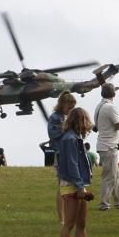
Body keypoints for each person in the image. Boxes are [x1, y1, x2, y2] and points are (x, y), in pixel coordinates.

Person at [56, 107, 96, 237]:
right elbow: (72, 165)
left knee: (82, 224)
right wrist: (80, 187)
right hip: (72, 184)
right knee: (70, 223)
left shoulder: (75, 138)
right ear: (79, 122)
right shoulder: (71, 139)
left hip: (80, 183)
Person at [94, 83, 119, 211]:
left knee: (115, 175)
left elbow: (98, 126)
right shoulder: (110, 107)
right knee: (109, 176)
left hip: (103, 144)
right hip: (109, 145)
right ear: (113, 94)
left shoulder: (99, 106)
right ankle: (104, 203)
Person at [49, 91, 77, 224]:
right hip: (61, 154)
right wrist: (66, 127)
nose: (70, 110)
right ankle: (62, 218)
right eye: (69, 107)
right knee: (61, 185)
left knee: (71, 186)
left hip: (71, 153)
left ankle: (70, 215)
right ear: (62, 104)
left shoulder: (70, 117)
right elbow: (53, 133)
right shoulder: (55, 117)